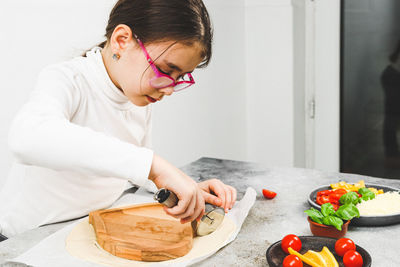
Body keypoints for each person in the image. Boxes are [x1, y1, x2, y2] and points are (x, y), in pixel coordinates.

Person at [0, 0, 236, 239]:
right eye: (165, 71)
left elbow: (129, 168)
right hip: (25, 241)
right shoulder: (68, 79)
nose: (169, 89)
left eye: (180, 77)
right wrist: (154, 165)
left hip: (86, 231)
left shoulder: (138, 98)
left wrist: (181, 187)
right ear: (122, 40)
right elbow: (27, 137)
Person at [381, 38, 400, 168]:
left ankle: (392, 156)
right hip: (393, 76)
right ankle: (392, 157)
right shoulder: (391, 74)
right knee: (392, 119)